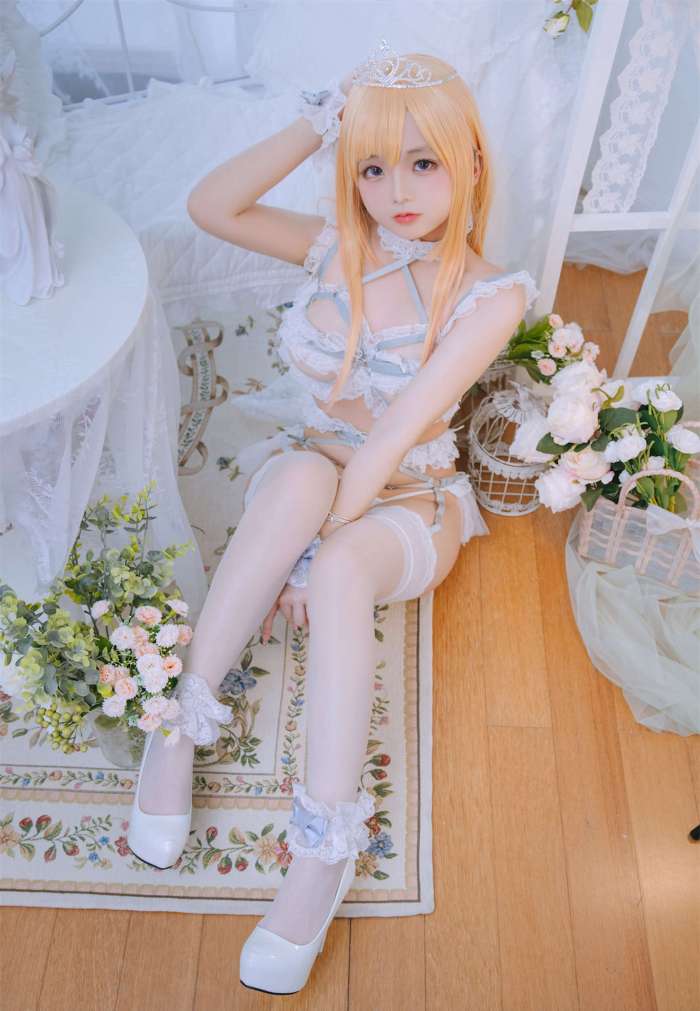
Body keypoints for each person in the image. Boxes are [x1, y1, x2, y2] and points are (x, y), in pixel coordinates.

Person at [126, 40, 539, 995]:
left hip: (411, 502)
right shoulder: (330, 250)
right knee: (303, 481)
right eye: (373, 167)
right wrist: (320, 123)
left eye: (424, 162)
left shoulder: (491, 295)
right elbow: (211, 205)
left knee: (344, 561)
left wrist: (312, 562)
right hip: (312, 464)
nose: (398, 192)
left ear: (472, 162)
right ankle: (180, 721)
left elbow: (395, 433)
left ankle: (322, 849)